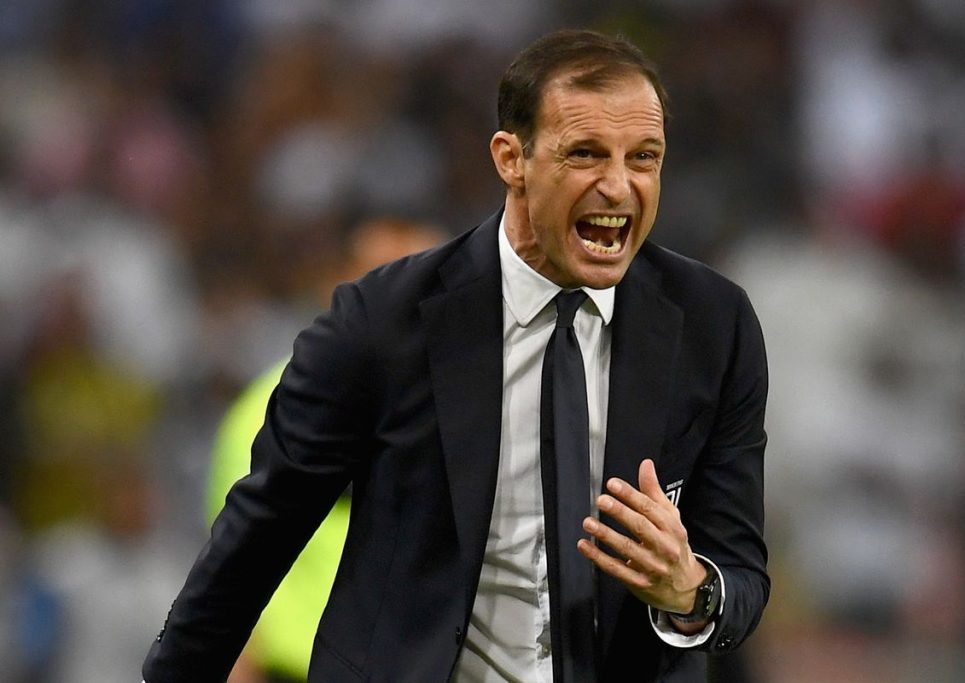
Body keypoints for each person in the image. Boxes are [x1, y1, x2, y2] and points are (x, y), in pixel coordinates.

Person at [143, 29, 769, 682]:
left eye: (644, 158)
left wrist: (692, 589)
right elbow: (248, 554)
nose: (618, 186)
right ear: (511, 159)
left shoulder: (714, 327)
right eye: (585, 154)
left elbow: (742, 579)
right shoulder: (382, 324)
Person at [207, 219, 445, 683]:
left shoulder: (477, 408)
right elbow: (228, 570)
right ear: (340, 289)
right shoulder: (269, 410)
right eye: (388, 280)